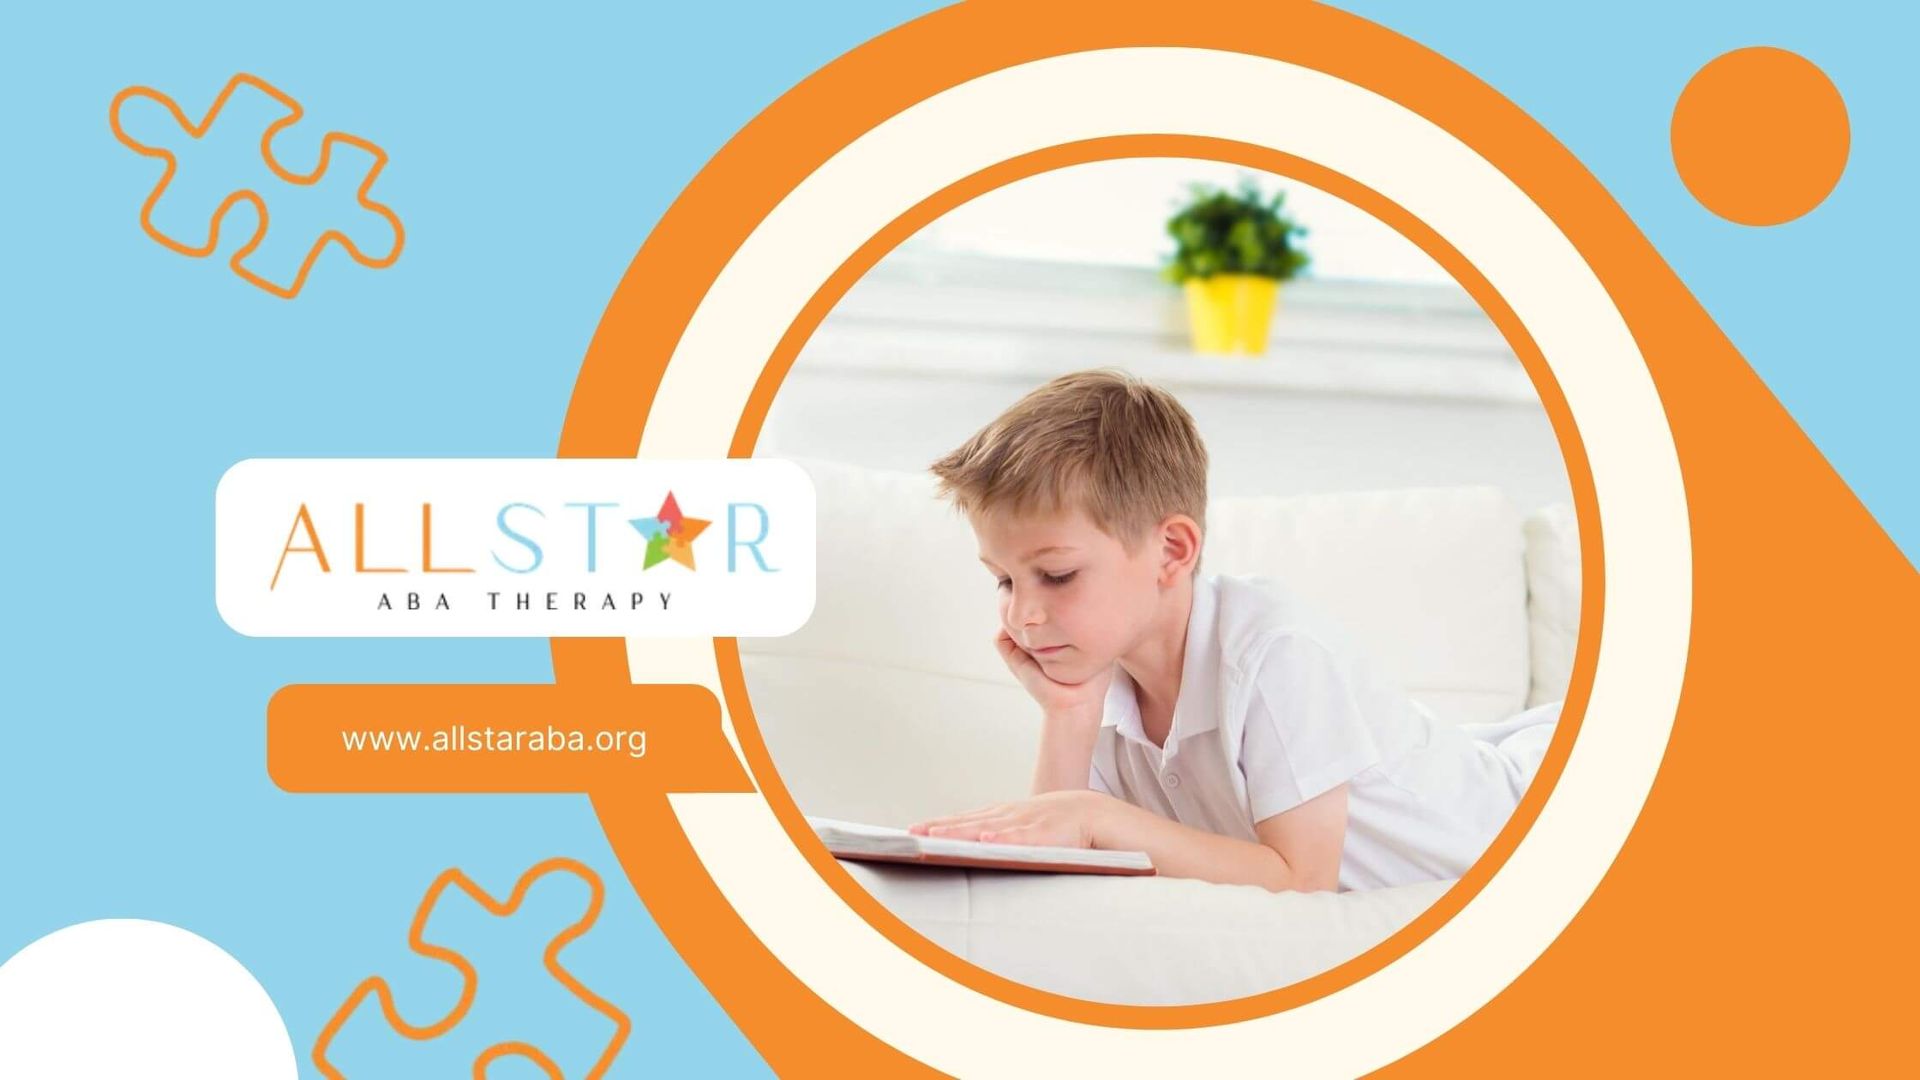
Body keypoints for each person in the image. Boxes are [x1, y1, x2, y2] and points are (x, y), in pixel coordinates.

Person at [905, 368, 1561, 892]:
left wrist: (1096, 818)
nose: (1022, 614)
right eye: (1004, 580)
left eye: (1056, 575)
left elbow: (1301, 880)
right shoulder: (1105, 686)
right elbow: (1061, 877)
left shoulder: (1274, 654)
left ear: (1172, 551)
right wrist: (1069, 715)